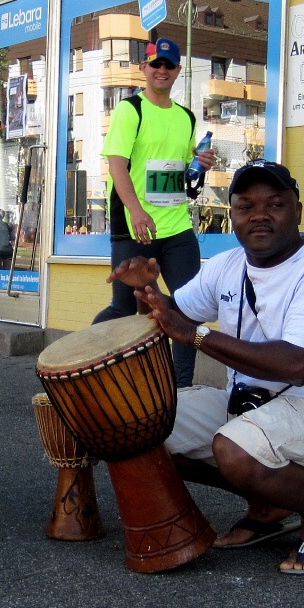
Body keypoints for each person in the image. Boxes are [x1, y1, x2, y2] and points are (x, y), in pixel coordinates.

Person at [105, 160, 304, 575]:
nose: (260, 215)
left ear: (298, 211)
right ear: (232, 214)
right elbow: (169, 317)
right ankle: (268, 504)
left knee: (235, 448)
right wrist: (147, 290)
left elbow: (296, 365)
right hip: (254, 411)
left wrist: (197, 336)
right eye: (246, 206)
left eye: (275, 204)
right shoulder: (228, 265)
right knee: (139, 426)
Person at [93, 38, 215, 387]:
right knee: (123, 308)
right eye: (155, 64)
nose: (162, 70)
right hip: (136, 228)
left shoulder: (186, 117)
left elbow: (185, 173)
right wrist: (136, 212)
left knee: (186, 307)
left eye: (169, 65)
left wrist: (201, 163)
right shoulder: (131, 110)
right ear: (144, 69)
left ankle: (182, 387)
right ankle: (77, 369)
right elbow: (117, 167)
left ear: (177, 71)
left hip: (176, 229)